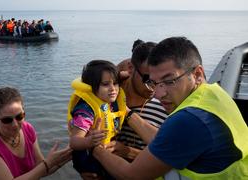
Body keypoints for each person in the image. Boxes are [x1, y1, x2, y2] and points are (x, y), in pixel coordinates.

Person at [92, 37, 248, 179]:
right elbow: (165, 140)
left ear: (197, 74)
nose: (157, 94)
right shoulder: (212, 94)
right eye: (153, 82)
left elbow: (131, 175)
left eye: (170, 81)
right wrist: (126, 112)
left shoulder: (189, 120)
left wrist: (94, 149)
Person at [0, 86, 72, 179]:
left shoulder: (28, 129)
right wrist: (48, 163)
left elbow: (41, 169)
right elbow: (44, 167)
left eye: (19, 117)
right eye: (7, 120)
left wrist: (64, 157)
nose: (14, 124)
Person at [67, 60, 127, 179]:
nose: (112, 89)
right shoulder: (86, 110)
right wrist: (89, 141)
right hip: (91, 163)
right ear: (90, 87)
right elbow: (74, 142)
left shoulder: (109, 101)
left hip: (106, 155)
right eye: (105, 84)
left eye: (115, 83)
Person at [114, 41, 167, 161]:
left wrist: (128, 152)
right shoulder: (109, 93)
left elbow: (169, 156)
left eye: (162, 80)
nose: (154, 89)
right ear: (131, 68)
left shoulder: (167, 105)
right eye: (148, 79)